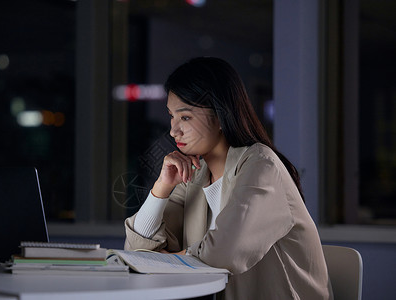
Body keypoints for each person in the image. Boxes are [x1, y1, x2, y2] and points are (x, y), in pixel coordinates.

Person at [124, 57, 333, 299]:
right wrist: (161, 188)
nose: (173, 130)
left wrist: (164, 260)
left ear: (221, 115)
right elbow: (137, 249)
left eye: (185, 117)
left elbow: (222, 255)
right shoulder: (195, 174)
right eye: (171, 116)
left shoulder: (260, 164)